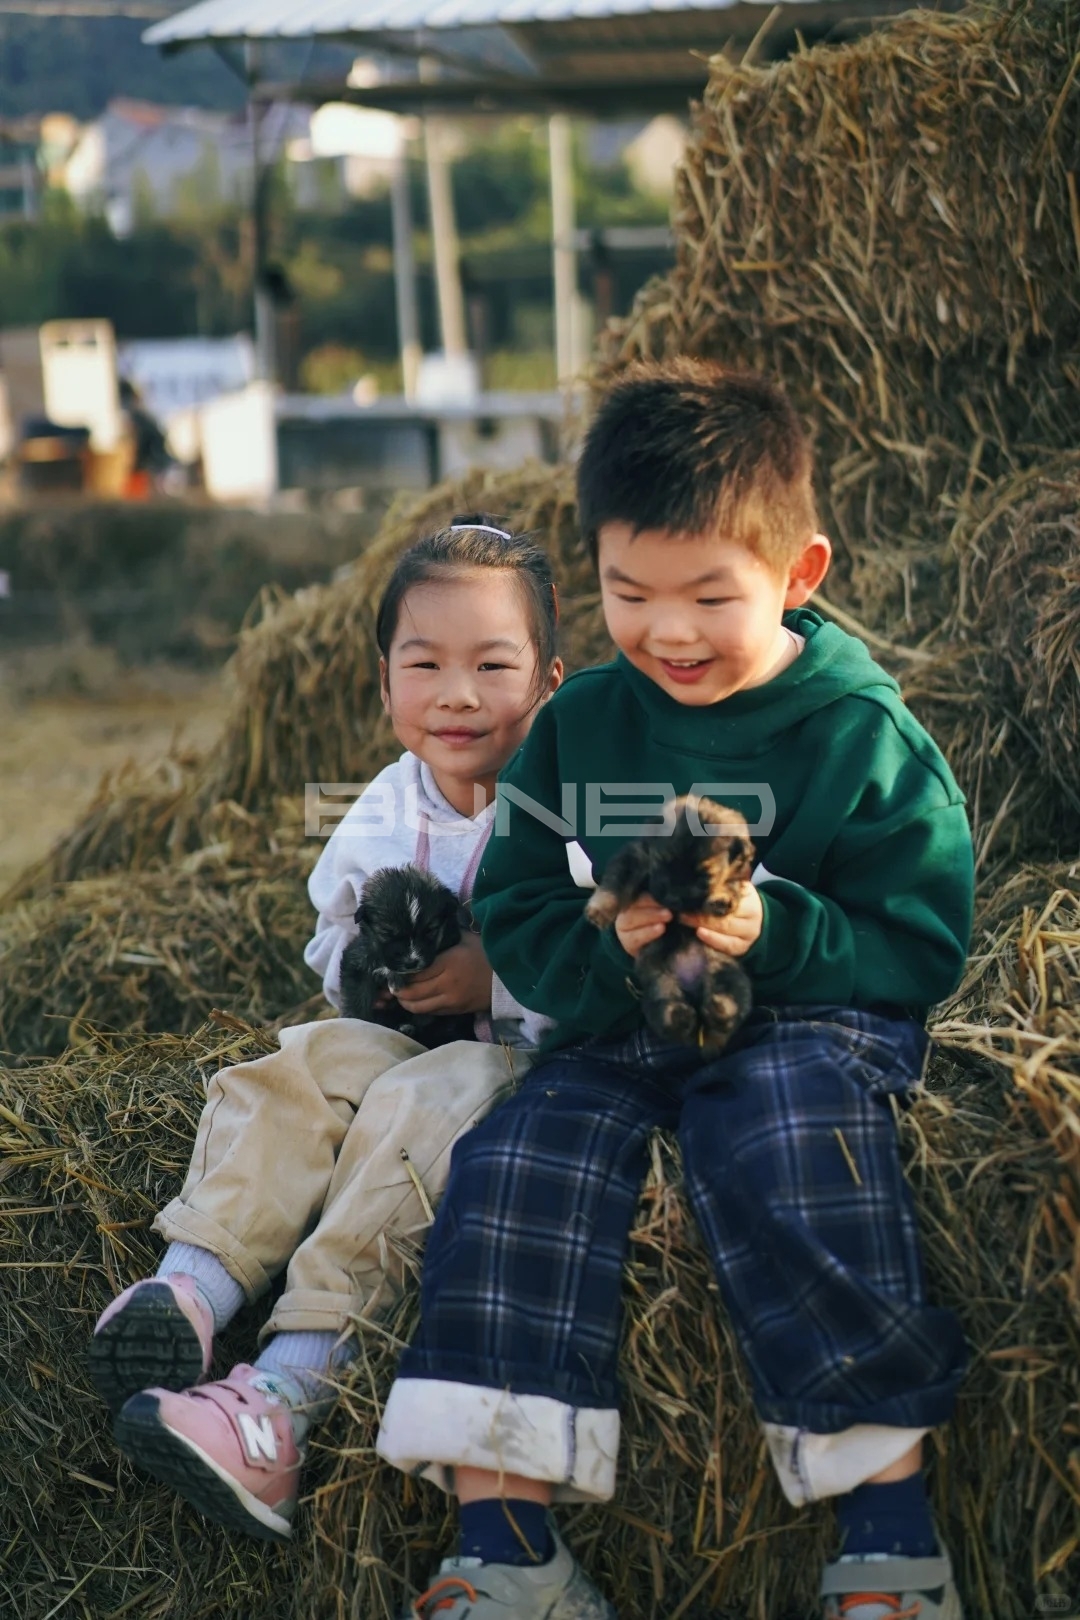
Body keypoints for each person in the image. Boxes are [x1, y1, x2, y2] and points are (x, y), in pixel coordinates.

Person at [374, 363, 974, 1620]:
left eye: (712, 594)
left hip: (805, 1018)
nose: (672, 632)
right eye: (629, 593)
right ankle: (505, 1548)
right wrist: (610, 947)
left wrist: (775, 929)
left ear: (800, 575)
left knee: (786, 1134)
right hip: (625, 1019)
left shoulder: (862, 736)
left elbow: (920, 936)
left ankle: (888, 1536)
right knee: (515, 1157)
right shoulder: (583, 724)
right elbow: (523, 903)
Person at [88, 518, 563, 1543]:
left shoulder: (570, 804)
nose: (458, 693)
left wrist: (497, 969)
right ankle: (194, 1287)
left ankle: (290, 1393)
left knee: (414, 1110)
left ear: (552, 680)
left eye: (494, 664)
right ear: (384, 681)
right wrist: (374, 970)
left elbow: (601, 955)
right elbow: (331, 943)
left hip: (518, 1059)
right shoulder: (385, 808)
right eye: (424, 663)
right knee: (301, 1064)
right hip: (402, 1033)